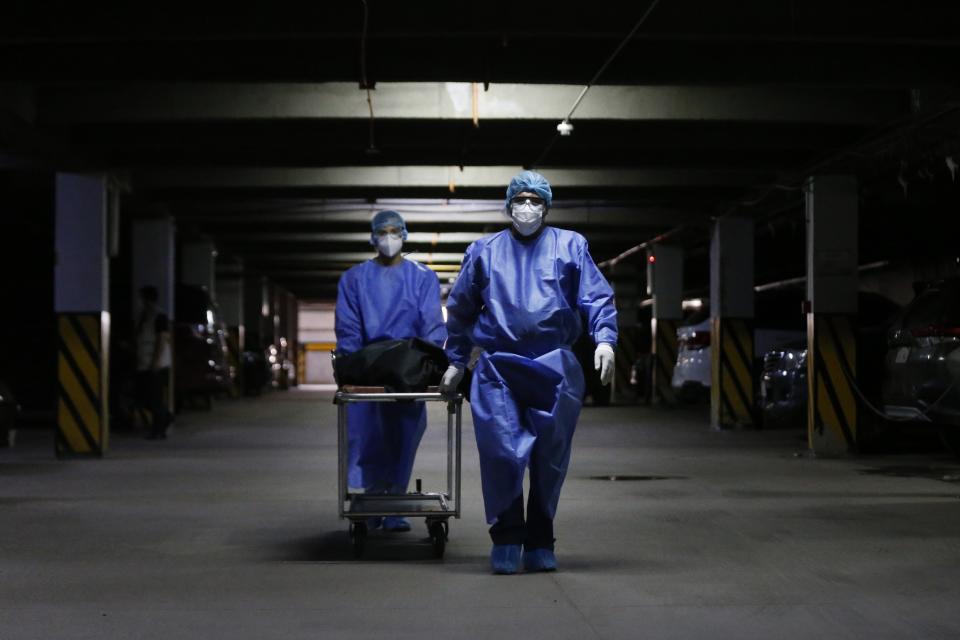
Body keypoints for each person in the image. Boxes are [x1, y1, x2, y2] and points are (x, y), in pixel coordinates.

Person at [440, 170, 617, 574]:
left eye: (536, 200)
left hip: (554, 364)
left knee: (549, 456)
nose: (527, 207)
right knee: (501, 451)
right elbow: (463, 309)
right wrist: (456, 360)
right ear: (507, 205)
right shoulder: (484, 251)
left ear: (546, 206)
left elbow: (595, 295)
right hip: (498, 366)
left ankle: (540, 539)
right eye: (520, 199)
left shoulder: (570, 245)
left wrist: (604, 338)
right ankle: (506, 536)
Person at [335, 210, 447, 532]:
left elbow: (431, 327)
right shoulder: (354, 279)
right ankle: (373, 501)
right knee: (369, 438)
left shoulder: (422, 278)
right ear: (373, 237)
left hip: (408, 370)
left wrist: (424, 362)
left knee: (402, 437)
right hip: (368, 371)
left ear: (405, 234)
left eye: (394, 230)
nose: (388, 237)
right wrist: (359, 363)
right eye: (382, 231)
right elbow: (349, 329)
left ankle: (395, 501)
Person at [135, 285, 173, 440]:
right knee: (145, 397)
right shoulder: (144, 315)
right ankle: (166, 418)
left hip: (156, 364)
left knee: (154, 398)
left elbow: (161, 339)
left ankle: (158, 429)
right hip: (143, 363)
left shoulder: (159, 316)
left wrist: (155, 362)